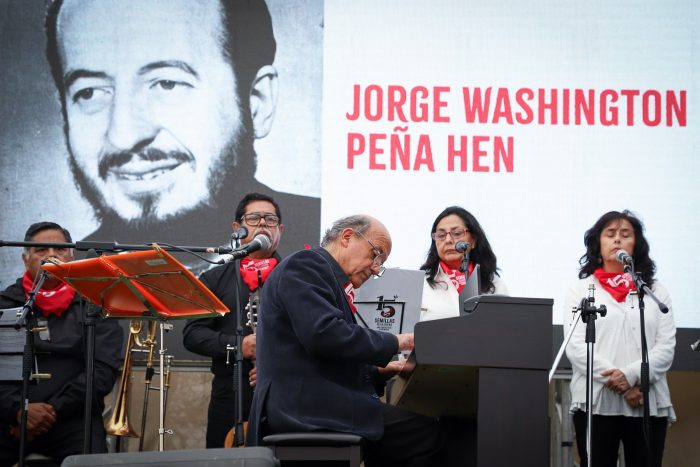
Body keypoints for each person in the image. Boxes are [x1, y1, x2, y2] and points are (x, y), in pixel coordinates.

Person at [44, 0, 319, 269]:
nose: (124, 135)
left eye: (167, 83)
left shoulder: (321, 251)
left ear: (258, 102)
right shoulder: (71, 275)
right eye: (89, 92)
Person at [247, 214, 441, 466]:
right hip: (306, 409)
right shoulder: (307, 264)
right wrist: (399, 341)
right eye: (375, 254)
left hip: (312, 404)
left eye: (380, 263)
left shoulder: (323, 274)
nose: (374, 268)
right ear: (347, 237)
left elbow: (321, 355)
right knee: (428, 434)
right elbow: (323, 334)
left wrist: (378, 371)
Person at [0, 222, 123, 466]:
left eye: (59, 249)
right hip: (8, 417)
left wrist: (51, 411)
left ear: (72, 256)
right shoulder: (5, 304)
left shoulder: (95, 304)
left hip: (72, 418)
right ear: (26, 260)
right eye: (41, 250)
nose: (51, 255)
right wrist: (17, 411)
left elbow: (102, 371)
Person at [564, 210, 676, 467]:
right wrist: (623, 382)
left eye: (625, 235)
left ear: (636, 244)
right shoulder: (580, 289)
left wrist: (633, 375)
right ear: (598, 244)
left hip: (645, 398)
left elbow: (666, 346)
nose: (617, 240)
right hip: (597, 400)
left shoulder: (655, 291)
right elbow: (576, 345)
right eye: (610, 234)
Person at [183, 192, 285, 448]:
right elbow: (192, 334)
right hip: (229, 395)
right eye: (253, 218)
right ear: (237, 228)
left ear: (280, 229)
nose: (262, 224)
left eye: (270, 220)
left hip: (287, 394)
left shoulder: (297, 277)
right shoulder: (213, 279)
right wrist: (237, 345)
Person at [419, 206, 507, 321]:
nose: (448, 240)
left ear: (473, 240)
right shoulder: (422, 285)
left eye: (456, 233)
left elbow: (506, 325)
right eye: (441, 235)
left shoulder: (494, 283)